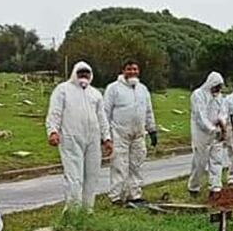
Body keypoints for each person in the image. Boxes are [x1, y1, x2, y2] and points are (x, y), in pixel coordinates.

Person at [47, 61, 112, 211]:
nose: (83, 76)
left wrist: (107, 138)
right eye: (80, 73)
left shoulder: (95, 93)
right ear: (74, 74)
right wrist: (53, 131)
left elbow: (102, 117)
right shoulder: (63, 90)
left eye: (86, 73)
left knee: (92, 176)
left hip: (92, 140)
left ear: (91, 75)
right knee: (74, 177)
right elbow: (55, 112)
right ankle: (73, 211)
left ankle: (87, 210)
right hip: (71, 138)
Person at [103, 60, 158, 207]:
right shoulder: (113, 89)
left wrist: (152, 129)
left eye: (135, 69)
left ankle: (135, 195)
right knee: (119, 165)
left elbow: (148, 111)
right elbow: (105, 113)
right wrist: (106, 136)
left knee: (136, 164)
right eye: (129, 69)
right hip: (119, 133)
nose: (132, 72)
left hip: (138, 134)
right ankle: (116, 197)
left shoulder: (142, 89)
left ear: (138, 71)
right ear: (123, 71)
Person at [188, 71, 227, 197]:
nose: (218, 89)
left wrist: (222, 123)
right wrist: (212, 129)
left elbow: (223, 111)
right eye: (216, 86)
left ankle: (215, 188)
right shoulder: (198, 95)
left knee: (217, 160)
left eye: (220, 86)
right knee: (200, 162)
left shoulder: (220, 97)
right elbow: (200, 116)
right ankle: (194, 187)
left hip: (217, 133)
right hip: (201, 134)